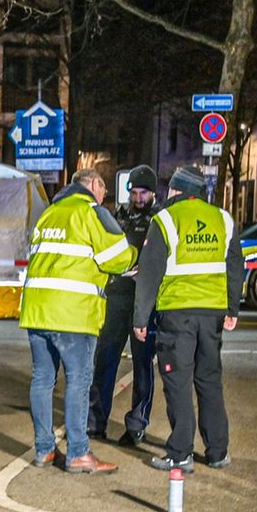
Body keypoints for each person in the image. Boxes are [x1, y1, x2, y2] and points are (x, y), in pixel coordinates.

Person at [19, 168, 137, 474]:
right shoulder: (91, 212)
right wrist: (137, 253)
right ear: (95, 186)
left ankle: (44, 449)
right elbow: (119, 257)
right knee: (79, 380)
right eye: (104, 190)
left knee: (43, 380)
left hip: (36, 310)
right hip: (73, 313)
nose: (104, 196)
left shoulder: (49, 214)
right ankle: (78, 453)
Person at [132, 166, 244, 473]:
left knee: (178, 382)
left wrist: (141, 317)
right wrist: (232, 309)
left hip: (177, 316)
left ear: (177, 191)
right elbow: (236, 266)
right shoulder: (223, 219)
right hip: (212, 316)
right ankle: (218, 451)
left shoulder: (165, 220)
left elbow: (150, 273)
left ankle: (180, 453)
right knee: (209, 380)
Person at [88, 165, 161, 447]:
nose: (138, 197)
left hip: (144, 300)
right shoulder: (119, 215)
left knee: (143, 363)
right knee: (105, 359)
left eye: (143, 192)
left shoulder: (159, 219)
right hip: (117, 296)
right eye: (134, 192)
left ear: (153, 192)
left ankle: (136, 425)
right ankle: (96, 422)